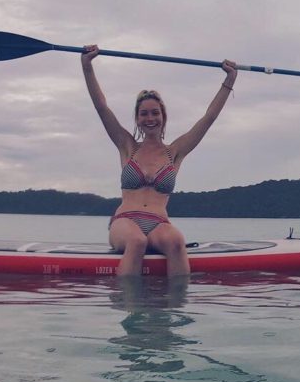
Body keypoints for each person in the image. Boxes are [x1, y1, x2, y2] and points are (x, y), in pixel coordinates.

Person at [81, 44, 237, 277]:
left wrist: (230, 80)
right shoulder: (127, 146)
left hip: (158, 223)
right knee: (136, 242)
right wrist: (87, 66)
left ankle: (173, 310)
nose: (150, 118)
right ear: (137, 118)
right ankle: (131, 309)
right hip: (125, 222)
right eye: (144, 113)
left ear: (163, 117)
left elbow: (209, 117)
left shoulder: (175, 152)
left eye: (155, 113)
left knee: (176, 243)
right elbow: (101, 107)